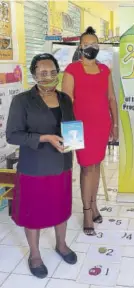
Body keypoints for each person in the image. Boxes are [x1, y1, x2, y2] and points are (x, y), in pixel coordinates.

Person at [6, 53, 77, 279]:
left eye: (53, 72)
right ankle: (35, 254)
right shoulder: (22, 101)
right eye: (43, 73)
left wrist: (75, 138)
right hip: (35, 167)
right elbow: (12, 135)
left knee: (61, 207)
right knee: (34, 212)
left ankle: (61, 244)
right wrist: (44, 138)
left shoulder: (65, 98)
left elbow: (70, 126)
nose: (49, 76)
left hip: (62, 164)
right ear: (34, 75)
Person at [62, 26, 118, 236]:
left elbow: (111, 98)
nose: (91, 47)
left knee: (96, 166)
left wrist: (115, 125)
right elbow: (67, 101)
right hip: (78, 127)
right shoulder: (72, 69)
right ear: (80, 46)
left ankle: (94, 204)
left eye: (94, 44)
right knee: (86, 168)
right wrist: (68, 133)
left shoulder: (105, 70)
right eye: (86, 44)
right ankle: (87, 211)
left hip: (101, 125)